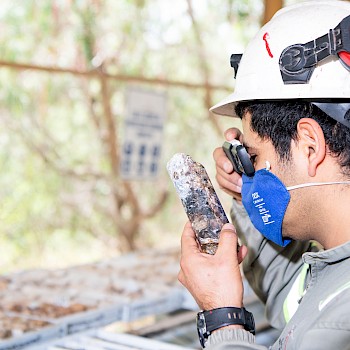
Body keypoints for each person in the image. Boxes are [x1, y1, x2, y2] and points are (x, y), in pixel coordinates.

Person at [178, 1, 350, 349]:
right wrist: (245, 193)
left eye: (253, 157)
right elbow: (293, 295)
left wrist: (222, 318)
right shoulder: (333, 269)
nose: (250, 170)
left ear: (309, 146)